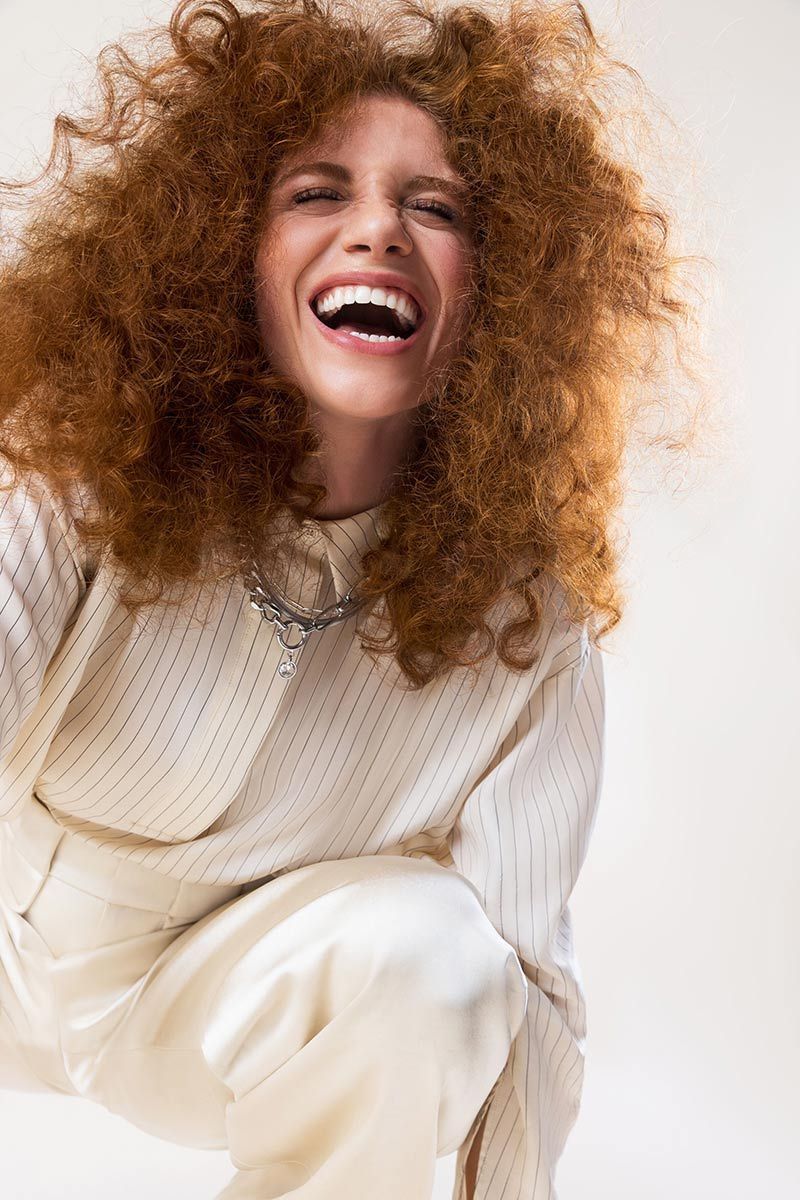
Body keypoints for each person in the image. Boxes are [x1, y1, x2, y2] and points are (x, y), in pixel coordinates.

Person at [0, 1, 707, 1198]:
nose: (378, 229)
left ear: (501, 290)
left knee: (436, 952)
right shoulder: (75, 466)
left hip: (230, 1012)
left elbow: (526, 992)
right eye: (316, 194)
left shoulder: (527, 628)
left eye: (435, 210)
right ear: (225, 251)